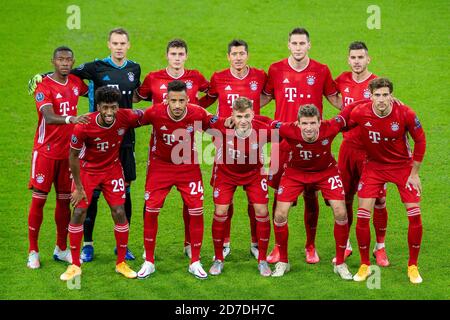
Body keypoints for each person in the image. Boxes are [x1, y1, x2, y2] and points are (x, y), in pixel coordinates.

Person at [28, 28, 141, 262]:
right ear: (109, 44)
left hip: (118, 138)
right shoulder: (94, 68)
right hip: (75, 144)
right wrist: (42, 75)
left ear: (128, 45)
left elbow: (134, 95)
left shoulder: (132, 69)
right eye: (115, 43)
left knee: (117, 194)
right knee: (78, 196)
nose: (119, 47)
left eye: (123, 43)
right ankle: (69, 247)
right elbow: (62, 84)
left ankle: (115, 247)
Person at [262, 27, 341, 264]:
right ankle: (278, 249)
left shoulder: (321, 70)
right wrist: (234, 110)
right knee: (278, 193)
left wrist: (363, 108)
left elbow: (335, 98)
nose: (298, 47)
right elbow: (264, 97)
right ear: (288, 45)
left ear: (309, 45)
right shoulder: (275, 69)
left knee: (310, 193)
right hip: (281, 142)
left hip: (311, 142)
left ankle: (310, 245)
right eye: (294, 43)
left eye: (302, 43)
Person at [60, 86, 145, 281]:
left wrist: (166, 107)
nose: (109, 112)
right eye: (105, 107)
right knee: (80, 212)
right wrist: (79, 187)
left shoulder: (125, 116)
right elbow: (72, 157)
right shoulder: (83, 125)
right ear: (97, 106)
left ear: (118, 107)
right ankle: (74, 265)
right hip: (87, 171)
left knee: (119, 212)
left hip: (112, 170)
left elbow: (147, 115)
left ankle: (121, 263)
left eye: (113, 107)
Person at [134, 39, 209, 259]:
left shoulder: (194, 77)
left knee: (193, 205)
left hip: (187, 152)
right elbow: (138, 99)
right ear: (167, 55)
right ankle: (149, 257)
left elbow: (212, 93)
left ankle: (190, 247)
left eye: (180, 54)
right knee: (152, 205)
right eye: (173, 54)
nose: (177, 58)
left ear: (186, 56)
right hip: (161, 153)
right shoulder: (154, 79)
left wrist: (196, 111)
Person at [348, 78, 426, 284]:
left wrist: (415, 173)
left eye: (385, 95)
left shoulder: (406, 113)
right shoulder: (360, 112)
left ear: (391, 95)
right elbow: (342, 121)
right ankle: (365, 264)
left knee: (414, 215)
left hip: (402, 167)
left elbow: (420, 140)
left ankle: (413, 266)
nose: (381, 99)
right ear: (370, 95)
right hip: (374, 166)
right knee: (363, 215)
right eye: (377, 95)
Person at [136, 80, 215, 280]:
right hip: (159, 167)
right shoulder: (154, 112)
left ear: (188, 100)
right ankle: (149, 261)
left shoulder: (197, 113)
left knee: (196, 211)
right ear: (167, 100)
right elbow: (129, 119)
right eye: (174, 101)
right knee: (151, 211)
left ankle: (195, 261)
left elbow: (216, 125)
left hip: (188, 168)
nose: (178, 105)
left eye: (181, 101)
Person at [198, 39, 268, 260]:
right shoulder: (218, 77)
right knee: (224, 201)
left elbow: (265, 97)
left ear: (247, 55)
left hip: (253, 140)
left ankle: (256, 243)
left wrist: (250, 118)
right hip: (224, 141)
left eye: (242, 53)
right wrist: (213, 119)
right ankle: (225, 242)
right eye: (234, 54)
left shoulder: (260, 76)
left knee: (254, 199)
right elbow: (207, 101)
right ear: (228, 56)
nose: (238, 57)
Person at [268, 104, 352, 280]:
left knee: (341, 212)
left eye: (313, 123)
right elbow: (265, 123)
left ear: (319, 122)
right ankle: (283, 261)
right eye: (304, 123)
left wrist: (373, 101)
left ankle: (340, 264)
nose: (308, 128)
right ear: (297, 123)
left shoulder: (331, 127)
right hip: (295, 173)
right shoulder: (287, 129)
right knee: (280, 215)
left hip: (326, 172)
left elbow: (347, 111)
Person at [27, 46, 89, 269]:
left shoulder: (74, 82)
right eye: (60, 60)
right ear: (53, 61)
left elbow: (89, 88)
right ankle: (33, 251)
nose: (64, 63)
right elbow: (48, 116)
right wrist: (71, 119)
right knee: (39, 201)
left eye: (68, 60)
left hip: (68, 155)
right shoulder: (42, 86)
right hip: (45, 152)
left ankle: (61, 249)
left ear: (73, 62)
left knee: (64, 202)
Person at [334, 41, 390, 266]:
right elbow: (335, 99)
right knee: (345, 197)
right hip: (347, 148)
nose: (357, 62)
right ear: (348, 60)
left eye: (361, 58)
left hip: (371, 151)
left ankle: (380, 247)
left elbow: (390, 108)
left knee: (379, 199)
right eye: (353, 58)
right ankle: (346, 245)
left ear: (369, 59)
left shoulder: (377, 85)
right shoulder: (342, 80)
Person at [206, 97, 272, 277]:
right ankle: (218, 258)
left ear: (253, 115)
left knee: (261, 211)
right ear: (232, 116)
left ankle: (263, 259)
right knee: (220, 211)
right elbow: (202, 117)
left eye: (247, 116)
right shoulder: (221, 128)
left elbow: (284, 136)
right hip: (226, 175)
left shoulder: (263, 130)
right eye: (239, 116)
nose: (243, 120)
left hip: (254, 174)